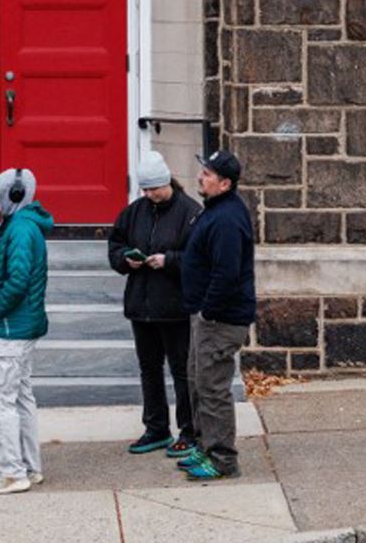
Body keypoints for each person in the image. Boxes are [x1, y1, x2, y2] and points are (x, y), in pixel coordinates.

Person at [108, 151, 201, 458]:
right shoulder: (134, 212)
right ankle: (156, 427)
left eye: (154, 189)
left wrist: (169, 260)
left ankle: (189, 430)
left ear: (167, 182)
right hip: (142, 304)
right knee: (149, 369)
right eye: (145, 190)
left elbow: (200, 258)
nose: (149, 195)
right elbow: (116, 244)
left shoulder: (190, 212)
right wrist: (125, 260)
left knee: (181, 370)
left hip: (175, 307)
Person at [176, 149, 255, 482]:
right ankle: (205, 444)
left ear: (224, 183)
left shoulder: (227, 219)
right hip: (205, 316)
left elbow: (227, 273)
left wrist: (208, 310)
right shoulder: (214, 210)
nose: (200, 177)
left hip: (220, 319)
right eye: (202, 171)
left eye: (207, 174)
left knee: (212, 388)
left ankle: (223, 459)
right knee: (197, 380)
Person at [0, 166, 55, 495]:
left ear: (15, 194)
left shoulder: (20, 230)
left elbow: (19, 279)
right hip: (24, 326)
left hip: (12, 329)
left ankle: (12, 472)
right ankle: (29, 466)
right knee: (21, 397)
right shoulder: (24, 226)